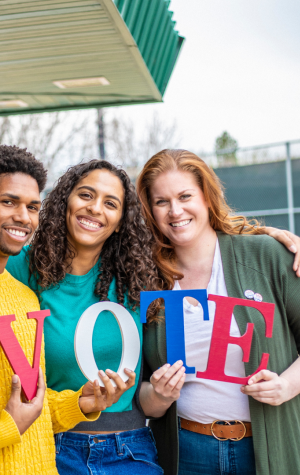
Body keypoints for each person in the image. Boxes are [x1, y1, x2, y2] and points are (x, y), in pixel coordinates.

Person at [0, 157, 300, 474]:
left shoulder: (140, 271)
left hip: (132, 448)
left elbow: (198, 240)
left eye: (111, 203)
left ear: (122, 219)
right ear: (65, 200)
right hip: (53, 446)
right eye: (86, 195)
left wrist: (272, 237)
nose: (96, 209)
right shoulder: (29, 266)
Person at [0, 159, 163, 474]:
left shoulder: (26, 296)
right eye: (9, 202)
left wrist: (80, 403)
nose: (22, 216)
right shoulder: (17, 271)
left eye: (30, 206)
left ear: (122, 219)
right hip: (57, 450)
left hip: (120, 448)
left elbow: (31, 401)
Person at [137, 149, 300, 475]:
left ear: (207, 198)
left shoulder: (266, 255)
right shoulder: (143, 277)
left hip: (266, 447)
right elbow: (142, 397)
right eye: (161, 202)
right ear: (150, 211)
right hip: (186, 452)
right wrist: (158, 395)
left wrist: (287, 385)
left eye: (185, 196)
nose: (175, 210)